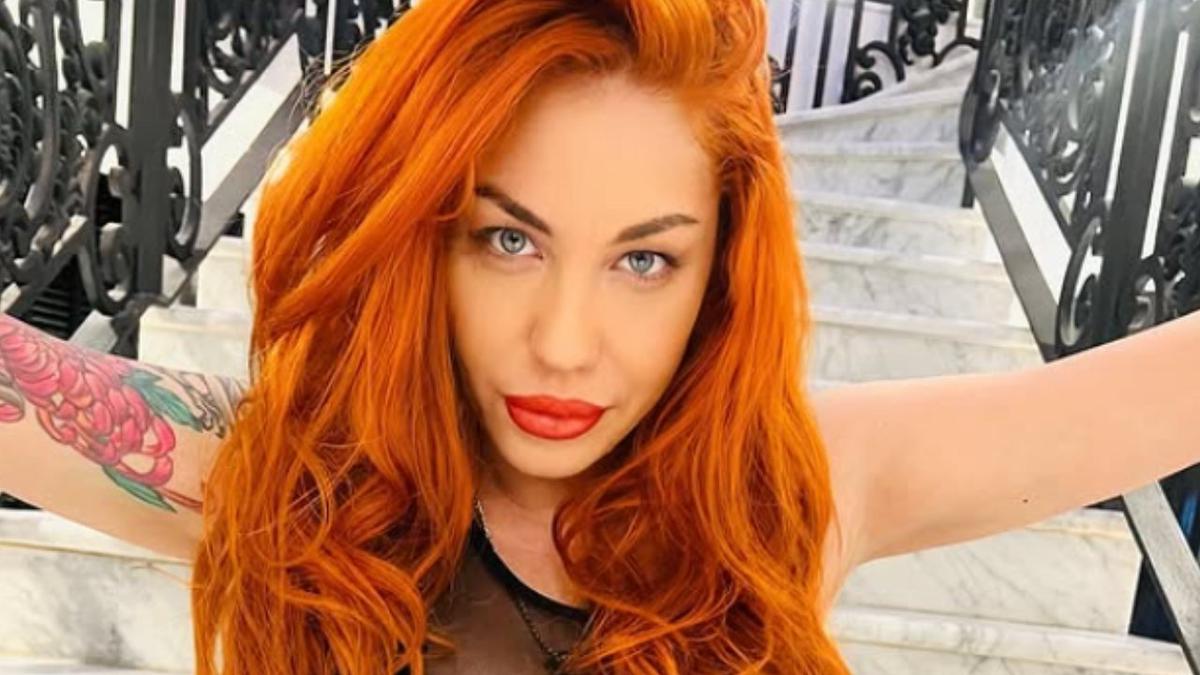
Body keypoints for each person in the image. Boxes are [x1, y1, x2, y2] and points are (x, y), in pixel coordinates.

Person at [0, 0, 1197, 673]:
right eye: (506, 240)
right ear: (421, 240)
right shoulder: (296, 474)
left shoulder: (786, 488)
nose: (566, 345)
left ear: (718, 276)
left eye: (644, 260)